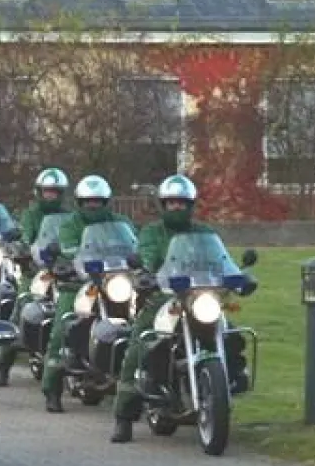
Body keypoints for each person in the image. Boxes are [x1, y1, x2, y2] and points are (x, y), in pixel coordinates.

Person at [108, 174, 256, 443]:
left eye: (181, 203)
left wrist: (240, 275)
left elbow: (222, 260)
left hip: (202, 297)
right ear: (163, 205)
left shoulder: (205, 232)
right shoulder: (153, 232)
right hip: (164, 298)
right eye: (171, 203)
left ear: (191, 205)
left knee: (230, 333)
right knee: (139, 346)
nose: (176, 207)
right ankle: (123, 417)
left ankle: (232, 378)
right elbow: (148, 255)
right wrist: (145, 274)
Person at [40, 174, 133, 413]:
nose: (93, 205)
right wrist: (70, 260)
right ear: (79, 202)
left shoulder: (120, 221)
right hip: (79, 282)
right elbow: (68, 247)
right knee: (62, 326)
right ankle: (52, 387)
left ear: (106, 202)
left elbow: (134, 244)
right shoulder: (70, 224)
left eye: (98, 201)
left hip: (117, 281)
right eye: (88, 201)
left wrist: (137, 258)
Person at [0, 167, 71, 385]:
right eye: (47, 191)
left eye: (55, 192)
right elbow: (26, 236)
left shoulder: (69, 216)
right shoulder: (31, 214)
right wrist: (25, 249)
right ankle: (3, 364)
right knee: (21, 307)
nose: (50, 196)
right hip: (36, 269)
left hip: (63, 269)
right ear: (39, 192)